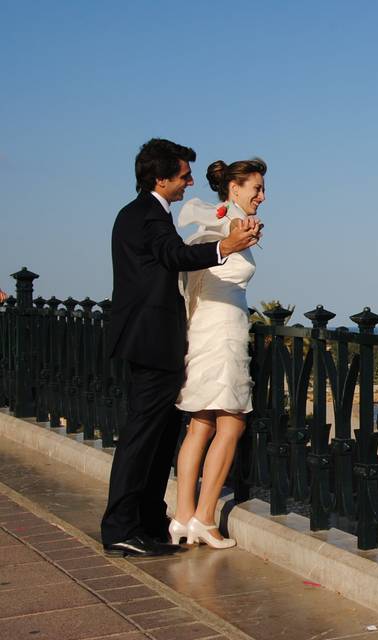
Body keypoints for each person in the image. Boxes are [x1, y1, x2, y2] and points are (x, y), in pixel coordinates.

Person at [101, 139, 261, 557]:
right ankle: (120, 526)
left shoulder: (145, 214)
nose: (191, 181)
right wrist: (225, 247)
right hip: (151, 340)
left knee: (159, 436)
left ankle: (151, 521)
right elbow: (175, 256)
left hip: (159, 340)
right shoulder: (146, 217)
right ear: (162, 178)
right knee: (140, 438)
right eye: (184, 175)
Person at [170, 158, 266, 549]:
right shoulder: (230, 224)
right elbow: (223, 244)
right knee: (231, 423)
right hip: (223, 332)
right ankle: (206, 519)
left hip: (205, 330)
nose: (262, 196)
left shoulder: (216, 221)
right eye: (255, 188)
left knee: (201, 425)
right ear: (234, 188)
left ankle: (182, 516)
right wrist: (240, 234)